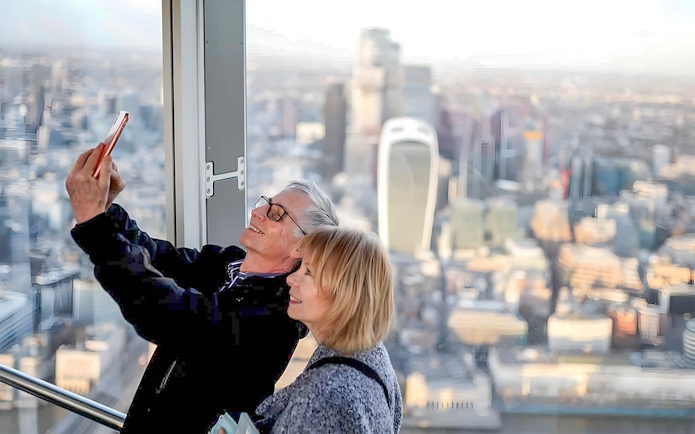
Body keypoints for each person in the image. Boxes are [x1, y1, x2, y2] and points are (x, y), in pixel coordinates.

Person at [64, 143, 339, 433]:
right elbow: (159, 258)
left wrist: (94, 225)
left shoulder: (274, 320)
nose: (258, 211)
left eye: (276, 214)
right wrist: (106, 210)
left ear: (302, 246)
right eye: (265, 203)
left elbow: (170, 313)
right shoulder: (229, 264)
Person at [248, 226, 403, 433]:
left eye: (308, 272)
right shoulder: (373, 357)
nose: (290, 279)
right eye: (300, 267)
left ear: (344, 293)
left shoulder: (321, 394)